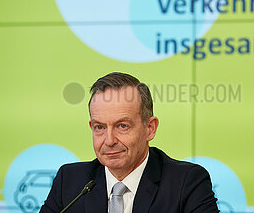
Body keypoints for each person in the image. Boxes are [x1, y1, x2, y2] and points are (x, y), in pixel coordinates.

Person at [40, 72, 219, 213]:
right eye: (100, 127)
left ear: (150, 128)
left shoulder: (186, 182)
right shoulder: (70, 181)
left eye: (122, 126)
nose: (109, 141)